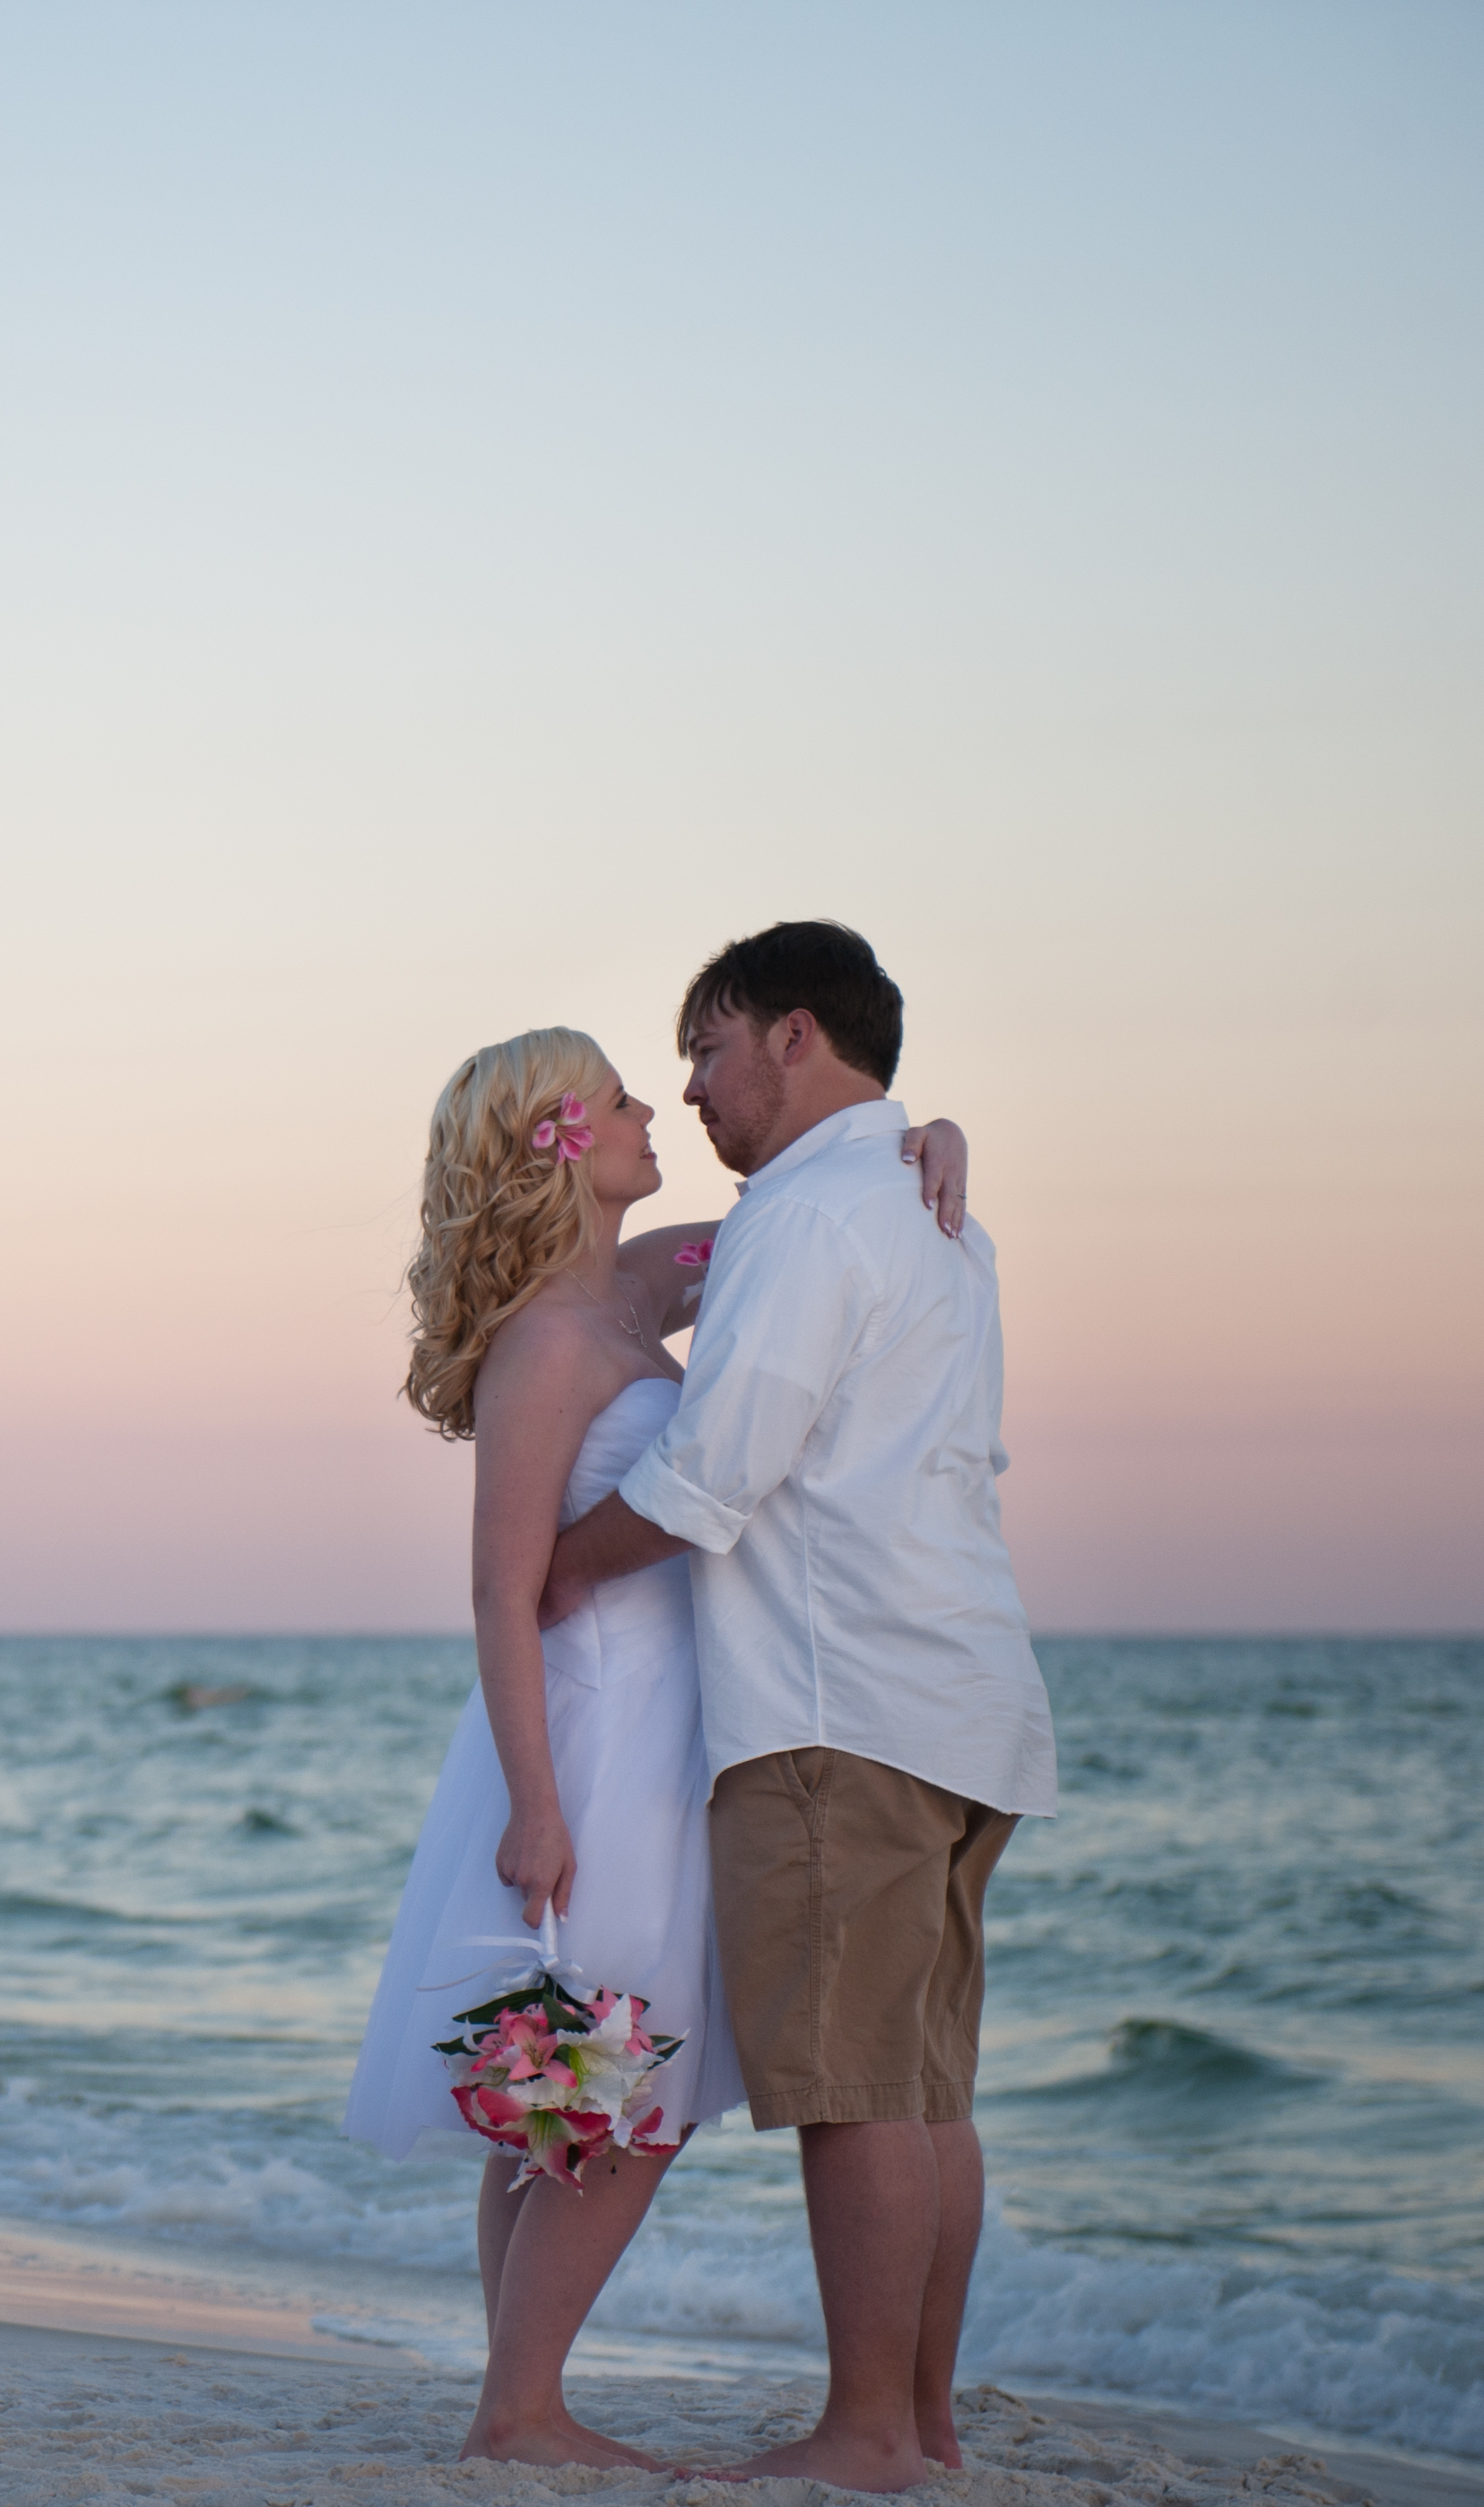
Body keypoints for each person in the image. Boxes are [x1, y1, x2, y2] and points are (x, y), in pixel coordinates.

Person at [340, 1023, 968, 2470]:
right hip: (599, 1740)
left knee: (563, 2080)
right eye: (620, 1096)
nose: (652, 1111)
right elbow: (505, 1589)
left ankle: (516, 2400)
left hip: (668, 1730)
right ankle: (524, 2409)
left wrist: (930, 1141)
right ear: (560, 1141)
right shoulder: (551, 1346)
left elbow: (791, 1223)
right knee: (625, 2087)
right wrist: (537, 1807)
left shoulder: (631, 1291)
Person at [536, 921, 1056, 2494]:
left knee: (849, 2097)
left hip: (840, 1708)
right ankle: (925, 2429)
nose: (689, 1086)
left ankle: (867, 2435)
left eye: (705, 1046)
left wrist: (552, 1567)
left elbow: (712, 1478)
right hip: (965, 1702)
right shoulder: (933, 1214)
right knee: (923, 2093)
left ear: (795, 1037)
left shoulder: (813, 1217)